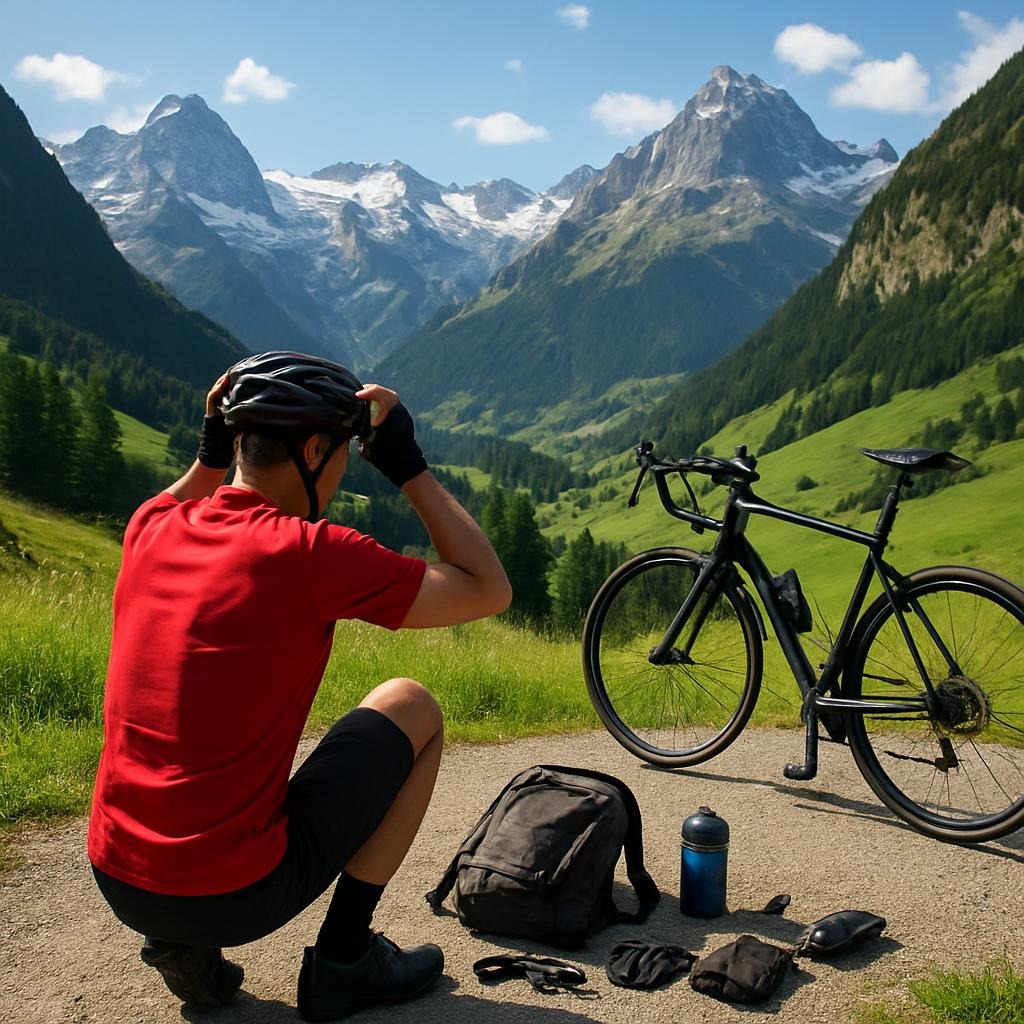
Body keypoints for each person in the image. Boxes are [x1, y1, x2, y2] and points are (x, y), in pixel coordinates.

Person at [87, 351, 511, 1021]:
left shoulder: (150, 529)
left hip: (116, 875)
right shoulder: (310, 552)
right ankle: (345, 960)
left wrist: (209, 452)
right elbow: (490, 589)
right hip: (233, 892)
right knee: (413, 705)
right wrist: (409, 467)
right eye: (340, 450)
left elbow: (187, 491)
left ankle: (181, 945)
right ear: (315, 448)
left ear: (233, 441)